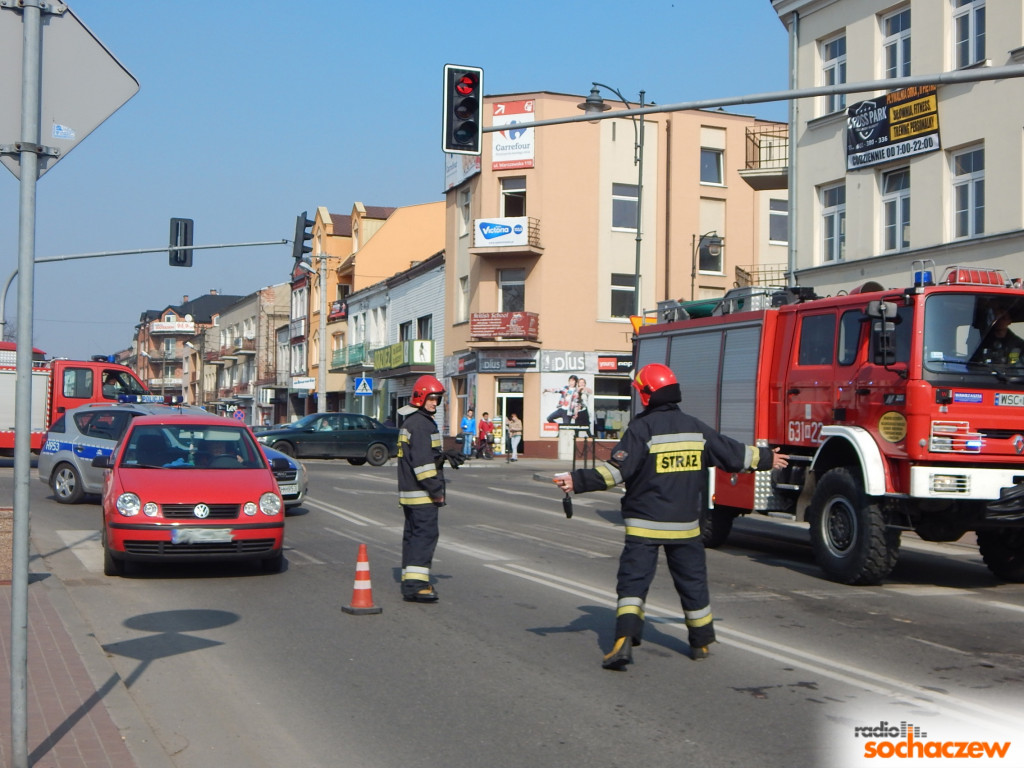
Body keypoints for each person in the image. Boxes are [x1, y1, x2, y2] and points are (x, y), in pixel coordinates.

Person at [553, 363, 788, 670]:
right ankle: (701, 641)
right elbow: (732, 453)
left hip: (644, 526)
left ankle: (623, 641)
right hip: (686, 526)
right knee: (692, 583)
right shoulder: (695, 427)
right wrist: (768, 457)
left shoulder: (640, 429)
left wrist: (576, 480)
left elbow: (616, 472)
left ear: (648, 395)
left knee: (632, 585)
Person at [396, 375, 464, 602]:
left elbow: (421, 456)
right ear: (420, 397)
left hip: (410, 493)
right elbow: (423, 466)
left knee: (413, 536)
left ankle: (409, 579)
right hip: (422, 494)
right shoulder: (422, 424)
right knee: (424, 536)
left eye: (438, 399)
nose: (435, 403)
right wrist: (436, 491)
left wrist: (443, 456)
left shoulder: (413, 422)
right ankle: (416, 586)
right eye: (432, 399)